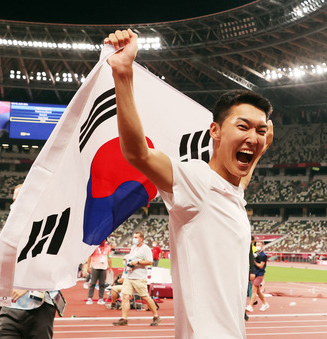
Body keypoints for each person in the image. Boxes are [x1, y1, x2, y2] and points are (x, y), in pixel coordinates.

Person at [104, 29, 273, 338]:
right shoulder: (195, 180)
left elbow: (238, 183)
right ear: (215, 132)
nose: (253, 136)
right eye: (243, 126)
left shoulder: (230, 190)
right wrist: (124, 73)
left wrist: (261, 146)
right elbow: (137, 153)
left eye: (260, 130)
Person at [0, 184, 59, 339]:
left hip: (39, 308)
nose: (14, 204)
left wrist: (27, 286)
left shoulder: (51, 229)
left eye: (19, 199)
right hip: (9, 308)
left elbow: (54, 265)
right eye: (13, 200)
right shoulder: (8, 233)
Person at [112, 231, 160, 326]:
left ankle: (156, 316)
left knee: (145, 297)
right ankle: (124, 319)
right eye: (134, 237)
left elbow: (150, 262)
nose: (134, 239)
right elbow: (131, 258)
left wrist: (137, 262)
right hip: (129, 276)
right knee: (125, 296)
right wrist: (128, 261)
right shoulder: (133, 248)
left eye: (136, 237)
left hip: (139, 277)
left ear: (141, 239)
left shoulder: (145, 248)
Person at [86, 240, 112, 305]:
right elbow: (90, 257)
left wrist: (110, 267)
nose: (103, 241)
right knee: (92, 283)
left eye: (104, 239)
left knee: (102, 284)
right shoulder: (94, 247)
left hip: (103, 267)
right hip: (95, 267)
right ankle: (90, 298)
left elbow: (109, 257)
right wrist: (88, 266)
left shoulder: (108, 247)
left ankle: (100, 299)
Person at [246, 241, 269, 312]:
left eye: (259, 245)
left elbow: (261, 266)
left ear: (262, 246)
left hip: (259, 274)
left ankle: (250, 306)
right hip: (254, 274)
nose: (257, 246)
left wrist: (254, 262)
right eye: (257, 245)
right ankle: (265, 304)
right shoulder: (255, 254)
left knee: (254, 290)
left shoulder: (263, 255)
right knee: (258, 291)